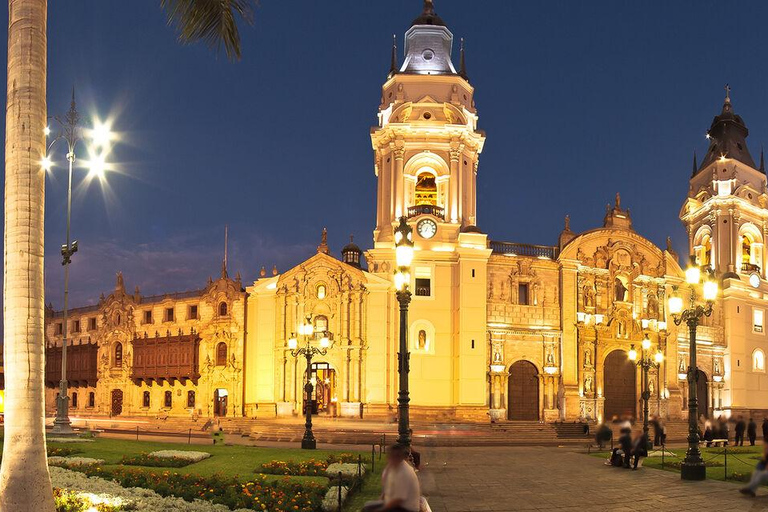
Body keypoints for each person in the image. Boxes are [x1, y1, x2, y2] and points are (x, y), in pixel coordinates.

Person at [363, 444, 421, 512]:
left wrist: (381, 509)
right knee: (367, 507)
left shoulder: (404, 472)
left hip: (406, 508)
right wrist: (381, 501)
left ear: (399, 457)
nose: (389, 458)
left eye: (394, 456)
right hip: (395, 504)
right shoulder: (392, 467)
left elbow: (398, 500)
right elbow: (386, 488)